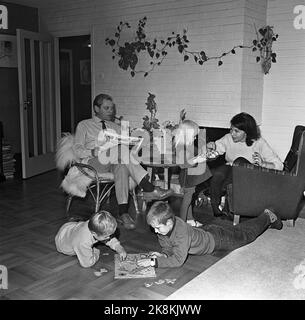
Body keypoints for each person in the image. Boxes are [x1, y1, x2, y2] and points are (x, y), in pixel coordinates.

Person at [72, 93, 173, 230]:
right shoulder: (84, 125)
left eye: (112, 108)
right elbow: (77, 150)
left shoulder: (116, 127)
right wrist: (94, 151)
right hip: (94, 163)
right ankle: (148, 187)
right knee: (120, 151)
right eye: (106, 108)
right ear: (96, 109)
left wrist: (134, 142)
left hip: (115, 161)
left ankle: (123, 213)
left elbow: (126, 146)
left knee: (122, 164)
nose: (110, 111)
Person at [137, 201, 282, 268]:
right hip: (207, 232)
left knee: (245, 236)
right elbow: (169, 248)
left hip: (217, 239)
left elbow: (179, 261)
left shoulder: (180, 232)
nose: (155, 231)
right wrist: (164, 255)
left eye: (157, 228)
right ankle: (266, 220)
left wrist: (153, 262)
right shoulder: (164, 230)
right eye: (154, 228)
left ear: (169, 222)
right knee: (238, 231)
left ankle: (267, 216)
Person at [206, 112, 283, 217]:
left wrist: (263, 163)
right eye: (231, 129)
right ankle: (216, 209)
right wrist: (210, 150)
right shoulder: (227, 138)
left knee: (240, 161)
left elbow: (279, 165)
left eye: (236, 131)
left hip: (249, 175)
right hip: (231, 169)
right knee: (218, 174)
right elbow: (214, 153)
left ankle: (223, 195)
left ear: (246, 132)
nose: (232, 133)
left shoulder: (259, 143)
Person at [173, 120, 212, 227]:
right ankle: (180, 224)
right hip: (187, 178)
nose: (195, 138)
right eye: (194, 136)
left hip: (190, 177)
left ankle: (189, 220)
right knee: (187, 200)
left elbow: (196, 154)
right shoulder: (180, 147)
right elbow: (183, 164)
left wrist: (204, 155)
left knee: (189, 199)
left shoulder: (188, 145)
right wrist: (196, 160)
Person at [55, 210, 127, 268]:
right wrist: (95, 252)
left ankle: (76, 224)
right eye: (106, 236)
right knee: (83, 247)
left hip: (68, 227)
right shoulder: (83, 242)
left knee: (82, 229)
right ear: (94, 234)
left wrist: (120, 248)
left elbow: (109, 239)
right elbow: (87, 264)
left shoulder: (93, 224)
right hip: (62, 244)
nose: (109, 238)